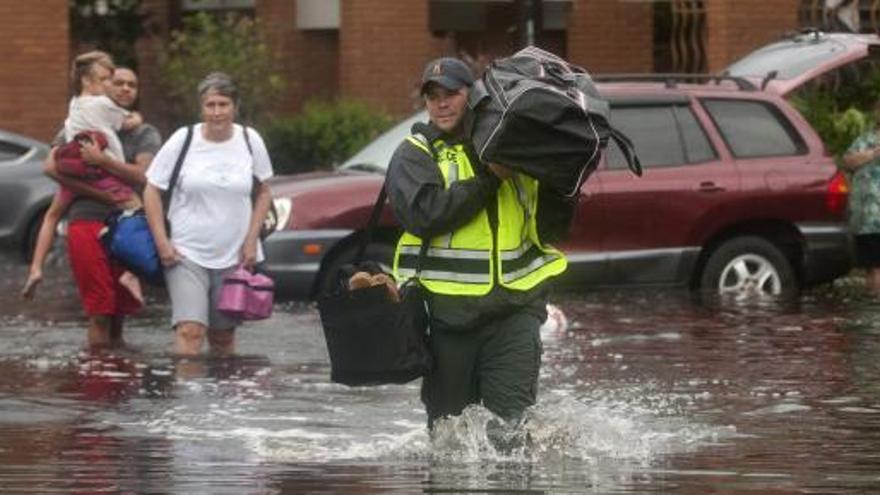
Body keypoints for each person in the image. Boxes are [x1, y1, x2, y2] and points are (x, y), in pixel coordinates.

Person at [385, 57, 574, 430]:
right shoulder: (415, 153)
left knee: (511, 432)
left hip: (516, 311)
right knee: (450, 436)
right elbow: (426, 216)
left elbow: (553, 227)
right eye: (432, 96)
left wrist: (564, 183)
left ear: (472, 96)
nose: (441, 103)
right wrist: (490, 178)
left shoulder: (513, 149)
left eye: (451, 94)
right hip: (448, 320)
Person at [22, 58, 161, 348]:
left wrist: (103, 161)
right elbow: (50, 167)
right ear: (102, 84)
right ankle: (97, 378)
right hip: (88, 218)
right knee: (100, 310)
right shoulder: (78, 123)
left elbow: (143, 174)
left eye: (131, 84)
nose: (123, 88)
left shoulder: (143, 133)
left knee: (120, 312)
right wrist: (99, 193)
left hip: (125, 225)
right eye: (116, 82)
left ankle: (118, 374)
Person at [143, 72, 274, 357]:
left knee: (223, 336)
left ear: (235, 107)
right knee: (191, 331)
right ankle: (188, 399)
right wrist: (162, 242)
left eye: (223, 104)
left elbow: (264, 190)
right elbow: (151, 189)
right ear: (201, 108)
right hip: (185, 252)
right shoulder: (184, 139)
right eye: (210, 105)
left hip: (234, 254)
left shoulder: (250, 140)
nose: (216, 112)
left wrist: (252, 240)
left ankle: (222, 401)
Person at [841, 102, 880, 292]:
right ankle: (874, 312)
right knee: (873, 267)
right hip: (868, 218)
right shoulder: (864, 141)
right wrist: (873, 153)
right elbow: (847, 162)